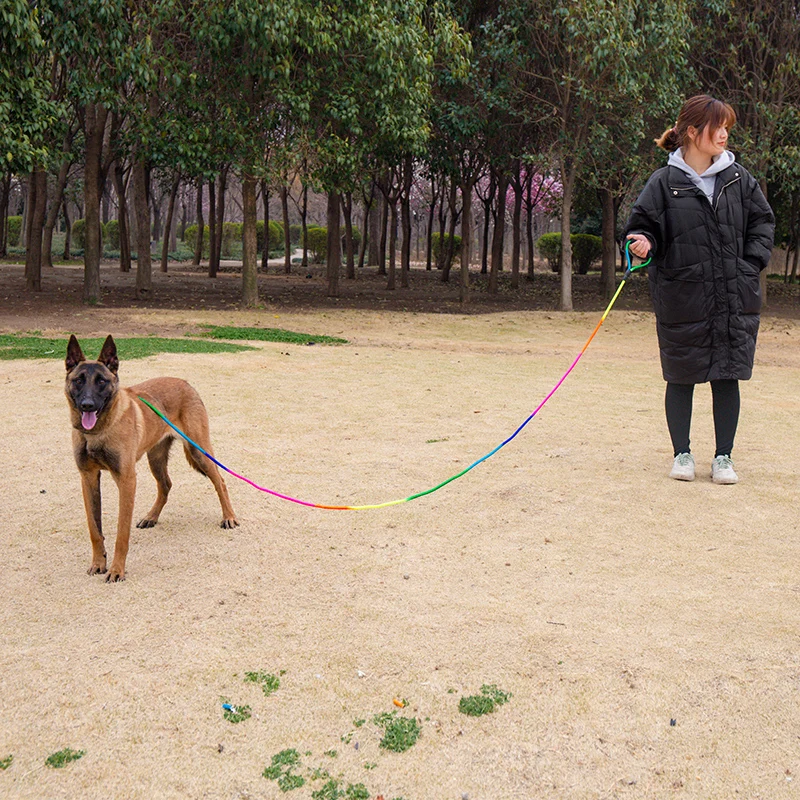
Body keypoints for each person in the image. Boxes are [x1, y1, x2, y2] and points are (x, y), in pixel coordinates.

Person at [624, 94, 774, 484]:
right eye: (717, 127)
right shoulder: (664, 182)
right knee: (681, 375)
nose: (724, 134)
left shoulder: (740, 179)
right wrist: (642, 242)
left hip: (732, 293)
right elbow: (642, 227)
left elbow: (763, 223)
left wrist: (750, 265)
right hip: (682, 295)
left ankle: (723, 457)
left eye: (727, 127)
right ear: (692, 132)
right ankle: (682, 454)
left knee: (728, 374)